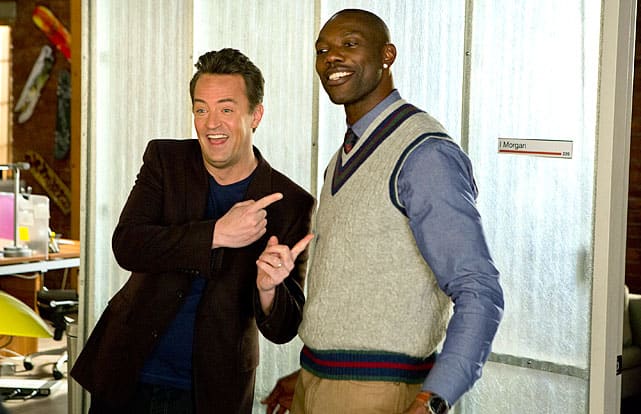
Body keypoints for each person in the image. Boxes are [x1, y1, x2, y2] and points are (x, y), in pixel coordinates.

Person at [262, 9, 504, 414]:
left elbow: (479, 289)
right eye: (322, 50)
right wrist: (314, 378)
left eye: (349, 44)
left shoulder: (424, 154)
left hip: (380, 393)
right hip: (318, 381)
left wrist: (433, 399)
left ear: (387, 55)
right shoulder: (343, 156)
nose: (332, 58)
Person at [70, 48, 315, 413]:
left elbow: (284, 328)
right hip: (128, 372)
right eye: (201, 109)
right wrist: (217, 233)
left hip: (212, 391)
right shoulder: (165, 161)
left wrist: (268, 290)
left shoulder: (289, 202)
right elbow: (128, 244)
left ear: (255, 115)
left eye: (226, 110)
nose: (211, 123)